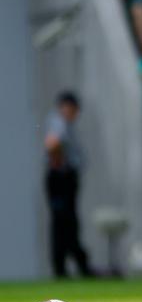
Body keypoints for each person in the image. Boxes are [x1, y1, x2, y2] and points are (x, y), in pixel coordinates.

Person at [44, 92, 92, 278]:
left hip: (63, 178)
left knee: (66, 223)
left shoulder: (63, 123)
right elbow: (52, 144)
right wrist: (59, 164)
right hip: (61, 178)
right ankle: (64, 267)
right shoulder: (59, 122)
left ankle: (69, 264)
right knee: (64, 223)